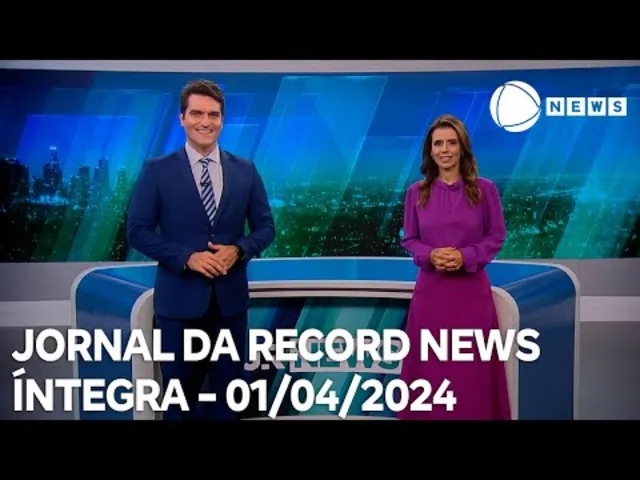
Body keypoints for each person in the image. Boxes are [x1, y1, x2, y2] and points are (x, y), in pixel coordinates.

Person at [127, 79, 275, 420]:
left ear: (222, 119)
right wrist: (186, 258)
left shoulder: (245, 170)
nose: (205, 122)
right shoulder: (157, 170)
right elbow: (137, 232)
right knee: (179, 402)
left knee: (228, 402)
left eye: (213, 115)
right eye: (197, 114)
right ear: (182, 118)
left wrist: (238, 250)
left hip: (229, 307)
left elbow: (266, 228)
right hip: (179, 306)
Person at [398, 114, 511, 420]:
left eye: (451, 143)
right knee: (431, 372)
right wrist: (431, 255)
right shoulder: (416, 192)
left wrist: (465, 256)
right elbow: (410, 239)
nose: (445, 150)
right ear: (430, 150)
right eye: (438, 144)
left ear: (462, 148)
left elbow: (496, 236)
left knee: (471, 373)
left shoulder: (485, 190)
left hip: (471, 296)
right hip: (431, 296)